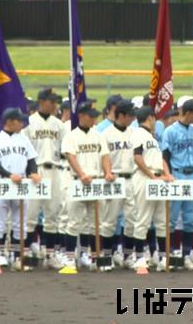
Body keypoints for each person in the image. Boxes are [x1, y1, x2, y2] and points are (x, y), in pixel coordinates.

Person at [60, 102, 113, 271]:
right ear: (82, 116)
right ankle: (69, 259)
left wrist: (108, 172)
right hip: (77, 181)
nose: (94, 119)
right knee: (74, 222)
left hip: (95, 181)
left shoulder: (98, 135)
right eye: (91, 116)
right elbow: (70, 157)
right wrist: (81, 174)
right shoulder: (71, 136)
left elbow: (104, 155)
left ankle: (86, 255)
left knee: (93, 223)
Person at [0, 107, 41, 272]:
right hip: (3, 184)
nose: (22, 123)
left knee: (20, 224)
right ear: (9, 122)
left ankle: (17, 258)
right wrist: (9, 175)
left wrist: (33, 173)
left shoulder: (23, 139)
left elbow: (31, 159)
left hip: (21, 186)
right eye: (19, 120)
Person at [22, 88, 69, 269]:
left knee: (52, 215)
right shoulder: (28, 123)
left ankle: (50, 255)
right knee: (30, 215)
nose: (55, 104)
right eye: (51, 101)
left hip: (55, 170)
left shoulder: (59, 125)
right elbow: (25, 152)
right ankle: (25, 253)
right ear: (42, 101)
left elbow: (65, 151)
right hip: (35, 171)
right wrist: (29, 172)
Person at [161, 99, 193, 270]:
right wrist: (168, 174)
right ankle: (170, 254)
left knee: (190, 219)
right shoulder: (170, 131)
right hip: (177, 175)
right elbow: (165, 156)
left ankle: (186, 256)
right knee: (171, 219)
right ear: (188, 113)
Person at [131, 106, 173, 272]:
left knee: (162, 220)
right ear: (150, 118)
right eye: (154, 118)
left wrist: (167, 174)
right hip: (144, 178)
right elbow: (137, 156)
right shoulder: (138, 133)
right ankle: (140, 257)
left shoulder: (151, 137)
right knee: (143, 219)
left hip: (157, 178)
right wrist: (151, 175)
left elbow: (159, 158)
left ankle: (163, 257)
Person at [100, 99, 137, 269]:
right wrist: (106, 173)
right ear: (120, 115)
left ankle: (128, 256)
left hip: (131, 178)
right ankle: (106, 256)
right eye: (130, 115)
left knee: (131, 220)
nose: (132, 118)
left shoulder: (134, 133)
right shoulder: (106, 134)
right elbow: (102, 157)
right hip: (113, 180)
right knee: (109, 220)